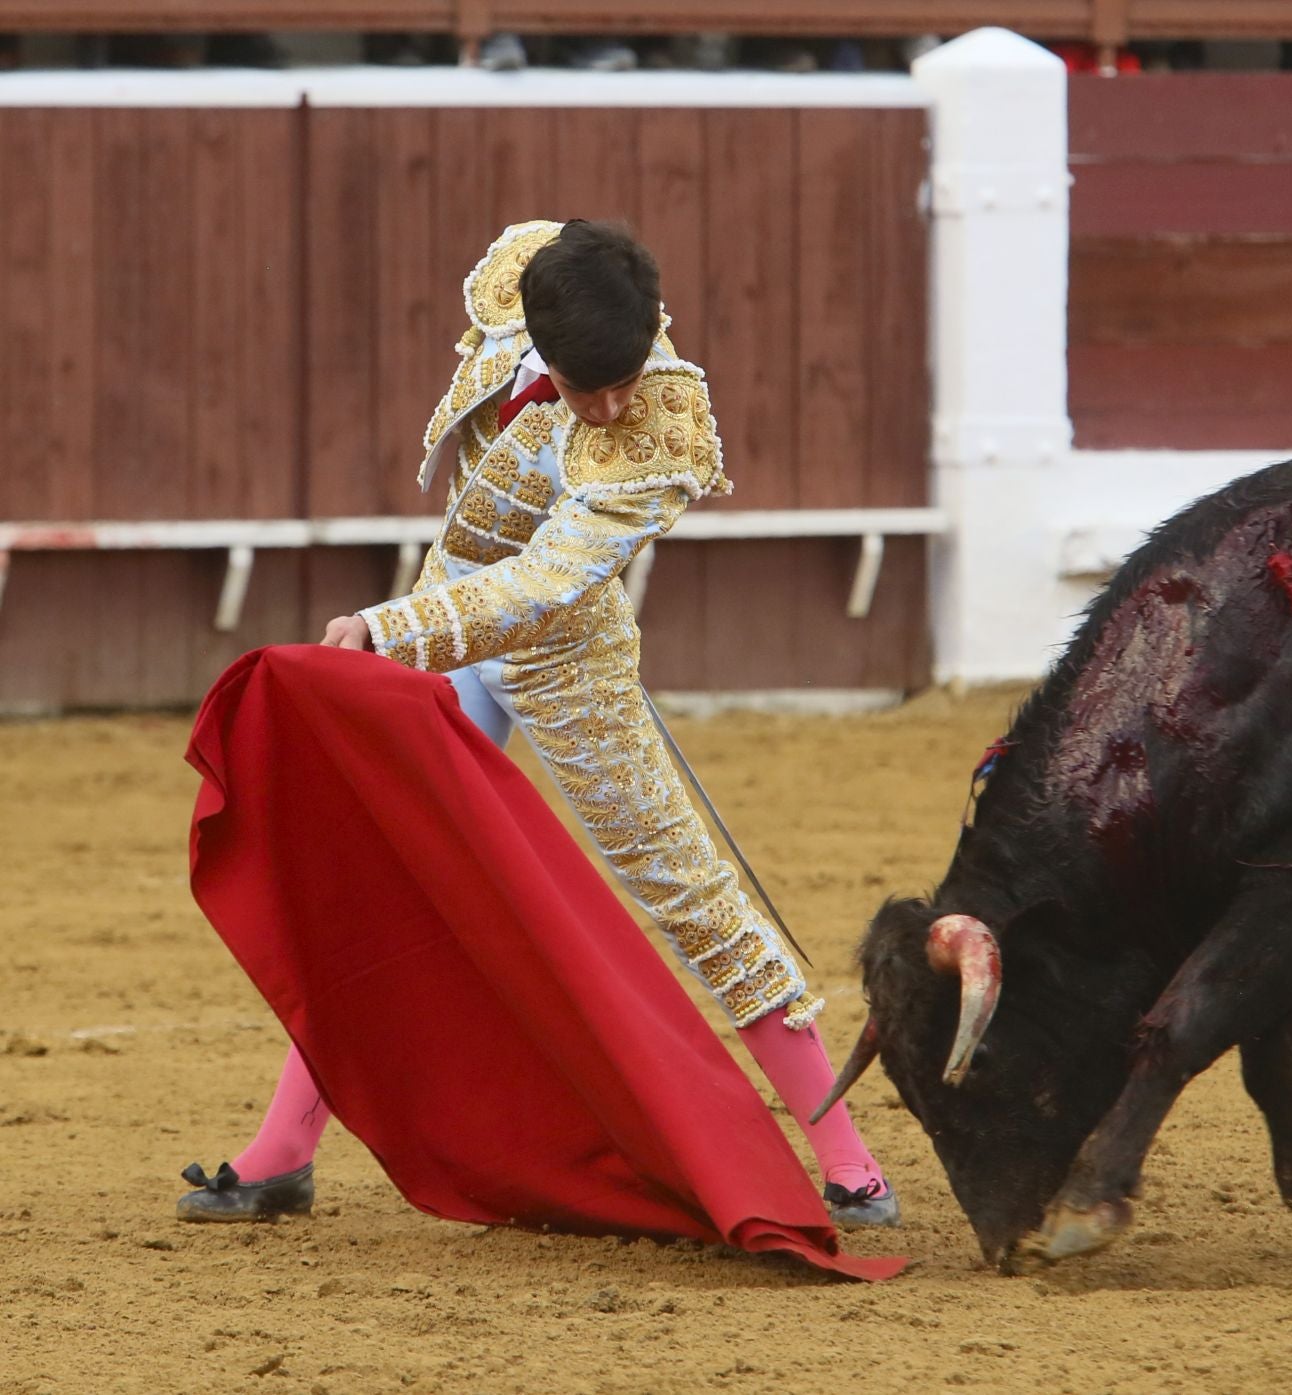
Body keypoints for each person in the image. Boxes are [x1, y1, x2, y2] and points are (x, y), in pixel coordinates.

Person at [176, 219, 897, 1229]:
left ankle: (849, 1163)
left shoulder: (663, 424)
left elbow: (550, 583)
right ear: (541, 340)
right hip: (450, 625)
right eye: (581, 383)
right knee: (395, 877)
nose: (606, 406)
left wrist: (394, 630)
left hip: (564, 658)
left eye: (622, 381)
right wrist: (416, 626)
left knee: (688, 889)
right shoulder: (524, 273)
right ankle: (281, 1153)